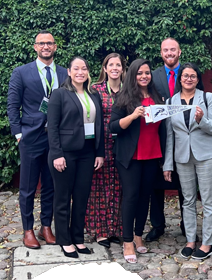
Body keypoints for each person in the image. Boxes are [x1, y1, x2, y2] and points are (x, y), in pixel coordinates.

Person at [7, 30, 68, 249]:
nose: (46, 46)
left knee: (50, 185)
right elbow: (13, 105)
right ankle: (27, 230)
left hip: (56, 138)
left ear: (55, 47)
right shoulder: (21, 72)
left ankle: (45, 228)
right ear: (35, 47)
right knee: (28, 187)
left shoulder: (64, 73)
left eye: (49, 43)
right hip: (31, 137)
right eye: (41, 43)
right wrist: (18, 133)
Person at [109, 59, 166, 264]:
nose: (144, 76)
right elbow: (113, 127)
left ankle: (138, 235)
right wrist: (133, 116)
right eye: (140, 73)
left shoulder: (157, 97)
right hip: (130, 156)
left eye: (147, 73)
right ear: (133, 75)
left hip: (152, 154)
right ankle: (127, 241)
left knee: (145, 197)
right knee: (131, 196)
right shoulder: (124, 98)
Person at [47, 56, 105, 258]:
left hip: (87, 153)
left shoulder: (94, 94)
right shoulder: (59, 94)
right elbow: (52, 127)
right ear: (69, 72)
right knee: (63, 198)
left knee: (81, 198)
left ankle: (78, 238)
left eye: (84, 69)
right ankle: (65, 240)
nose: (81, 72)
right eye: (76, 69)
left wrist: (99, 153)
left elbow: (99, 126)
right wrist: (56, 154)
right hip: (65, 154)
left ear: (88, 72)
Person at [163, 62, 212, 260]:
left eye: (193, 76)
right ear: (180, 79)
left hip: (206, 156)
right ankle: (190, 240)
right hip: (182, 157)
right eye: (185, 76)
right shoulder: (171, 101)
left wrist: (202, 120)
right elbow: (170, 135)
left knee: (208, 201)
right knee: (187, 200)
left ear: (197, 79)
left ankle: (207, 243)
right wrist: (168, 164)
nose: (188, 79)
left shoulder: (207, 97)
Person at [85, 53, 126, 248]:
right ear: (105, 68)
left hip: (123, 147)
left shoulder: (128, 91)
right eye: (111, 65)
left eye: (118, 65)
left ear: (123, 69)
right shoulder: (96, 90)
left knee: (118, 188)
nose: (115, 68)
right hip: (101, 145)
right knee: (99, 189)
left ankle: (116, 229)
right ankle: (100, 231)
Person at [147, 37, 186, 242]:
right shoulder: (153, 76)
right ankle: (157, 225)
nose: (169, 53)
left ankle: (186, 224)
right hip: (159, 135)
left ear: (179, 52)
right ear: (161, 53)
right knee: (156, 183)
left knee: (185, 182)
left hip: (184, 136)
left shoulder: (190, 74)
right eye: (165, 50)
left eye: (173, 49)